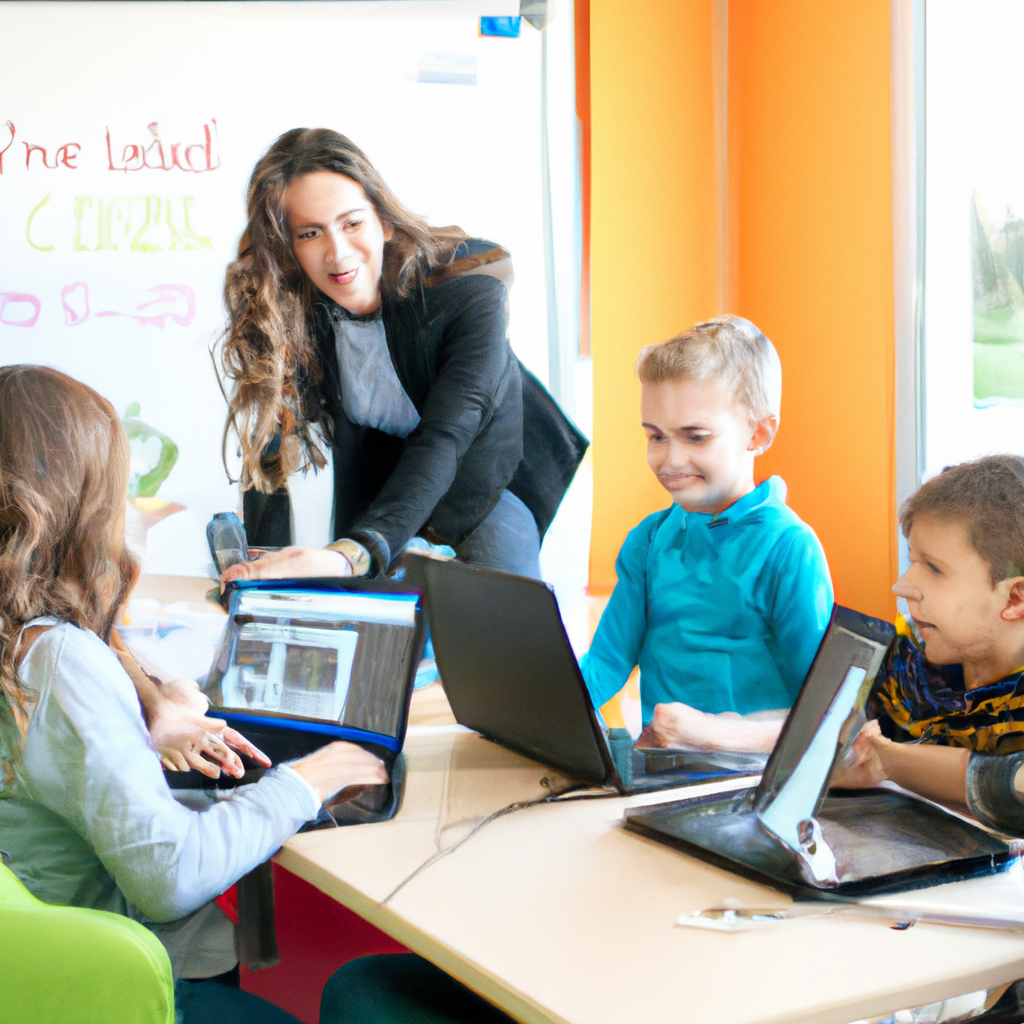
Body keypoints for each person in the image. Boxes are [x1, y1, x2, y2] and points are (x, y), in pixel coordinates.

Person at [0, 365, 519, 1024]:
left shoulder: (25, 639)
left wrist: (142, 724)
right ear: (78, 500)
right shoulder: (65, 662)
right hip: (105, 990)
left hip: (27, 975)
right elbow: (170, 877)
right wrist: (307, 780)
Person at [218, 128, 586, 585]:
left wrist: (354, 554)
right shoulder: (293, 309)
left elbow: (447, 435)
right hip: (385, 485)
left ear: (384, 221)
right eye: (310, 233)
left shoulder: (468, 290)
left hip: (482, 477)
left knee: (495, 619)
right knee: (367, 631)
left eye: (352, 222)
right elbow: (272, 443)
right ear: (288, 249)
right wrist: (257, 571)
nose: (338, 252)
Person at [644, 454, 1024, 839]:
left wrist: (890, 760)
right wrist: (711, 732)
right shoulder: (914, 656)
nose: (903, 585)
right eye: (913, 561)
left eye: (935, 568)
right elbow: (838, 730)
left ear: (1014, 599)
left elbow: (1010, 782)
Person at [581, 316, 833, 728]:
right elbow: (607, 663)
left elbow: (822, 709)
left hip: (751, 777)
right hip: (664, 766)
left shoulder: (789, 549)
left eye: (695, 436)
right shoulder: (648, 541)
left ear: (759, 434)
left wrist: (716, 736)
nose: (670, 459)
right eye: (656, 436)